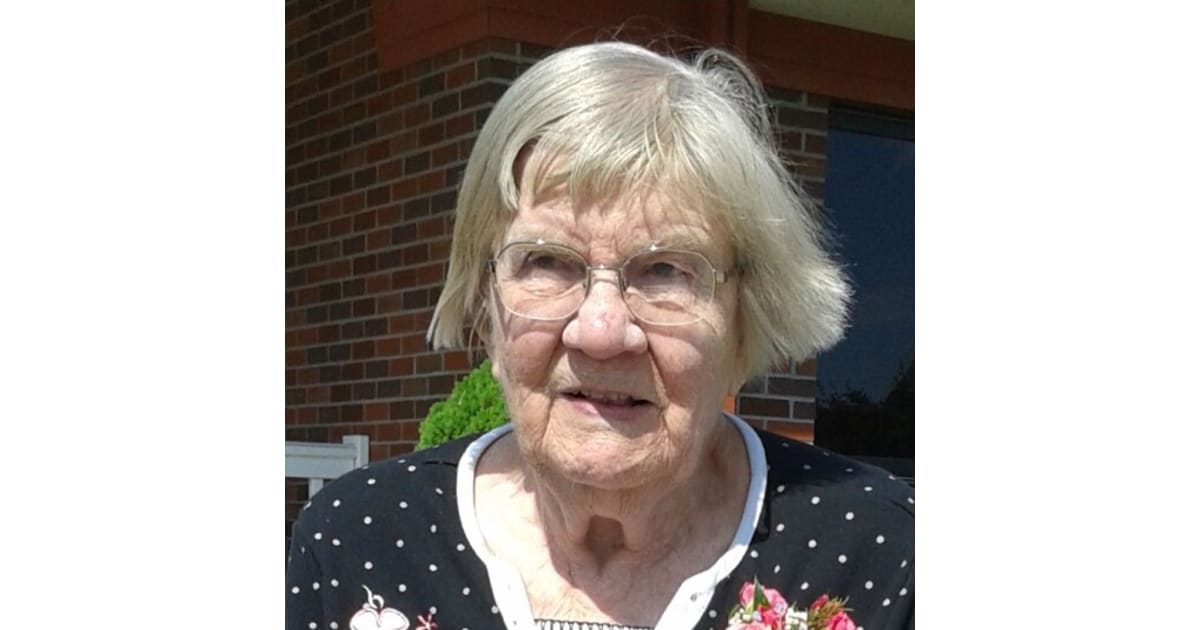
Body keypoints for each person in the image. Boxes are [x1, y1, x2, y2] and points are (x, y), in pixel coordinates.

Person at [287, 41, 914, 630]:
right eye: (546, 262)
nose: (602, 331)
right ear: (484, 306)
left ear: (747, 316)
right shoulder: (361, 537)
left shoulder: (879, 552)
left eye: (666, 271)